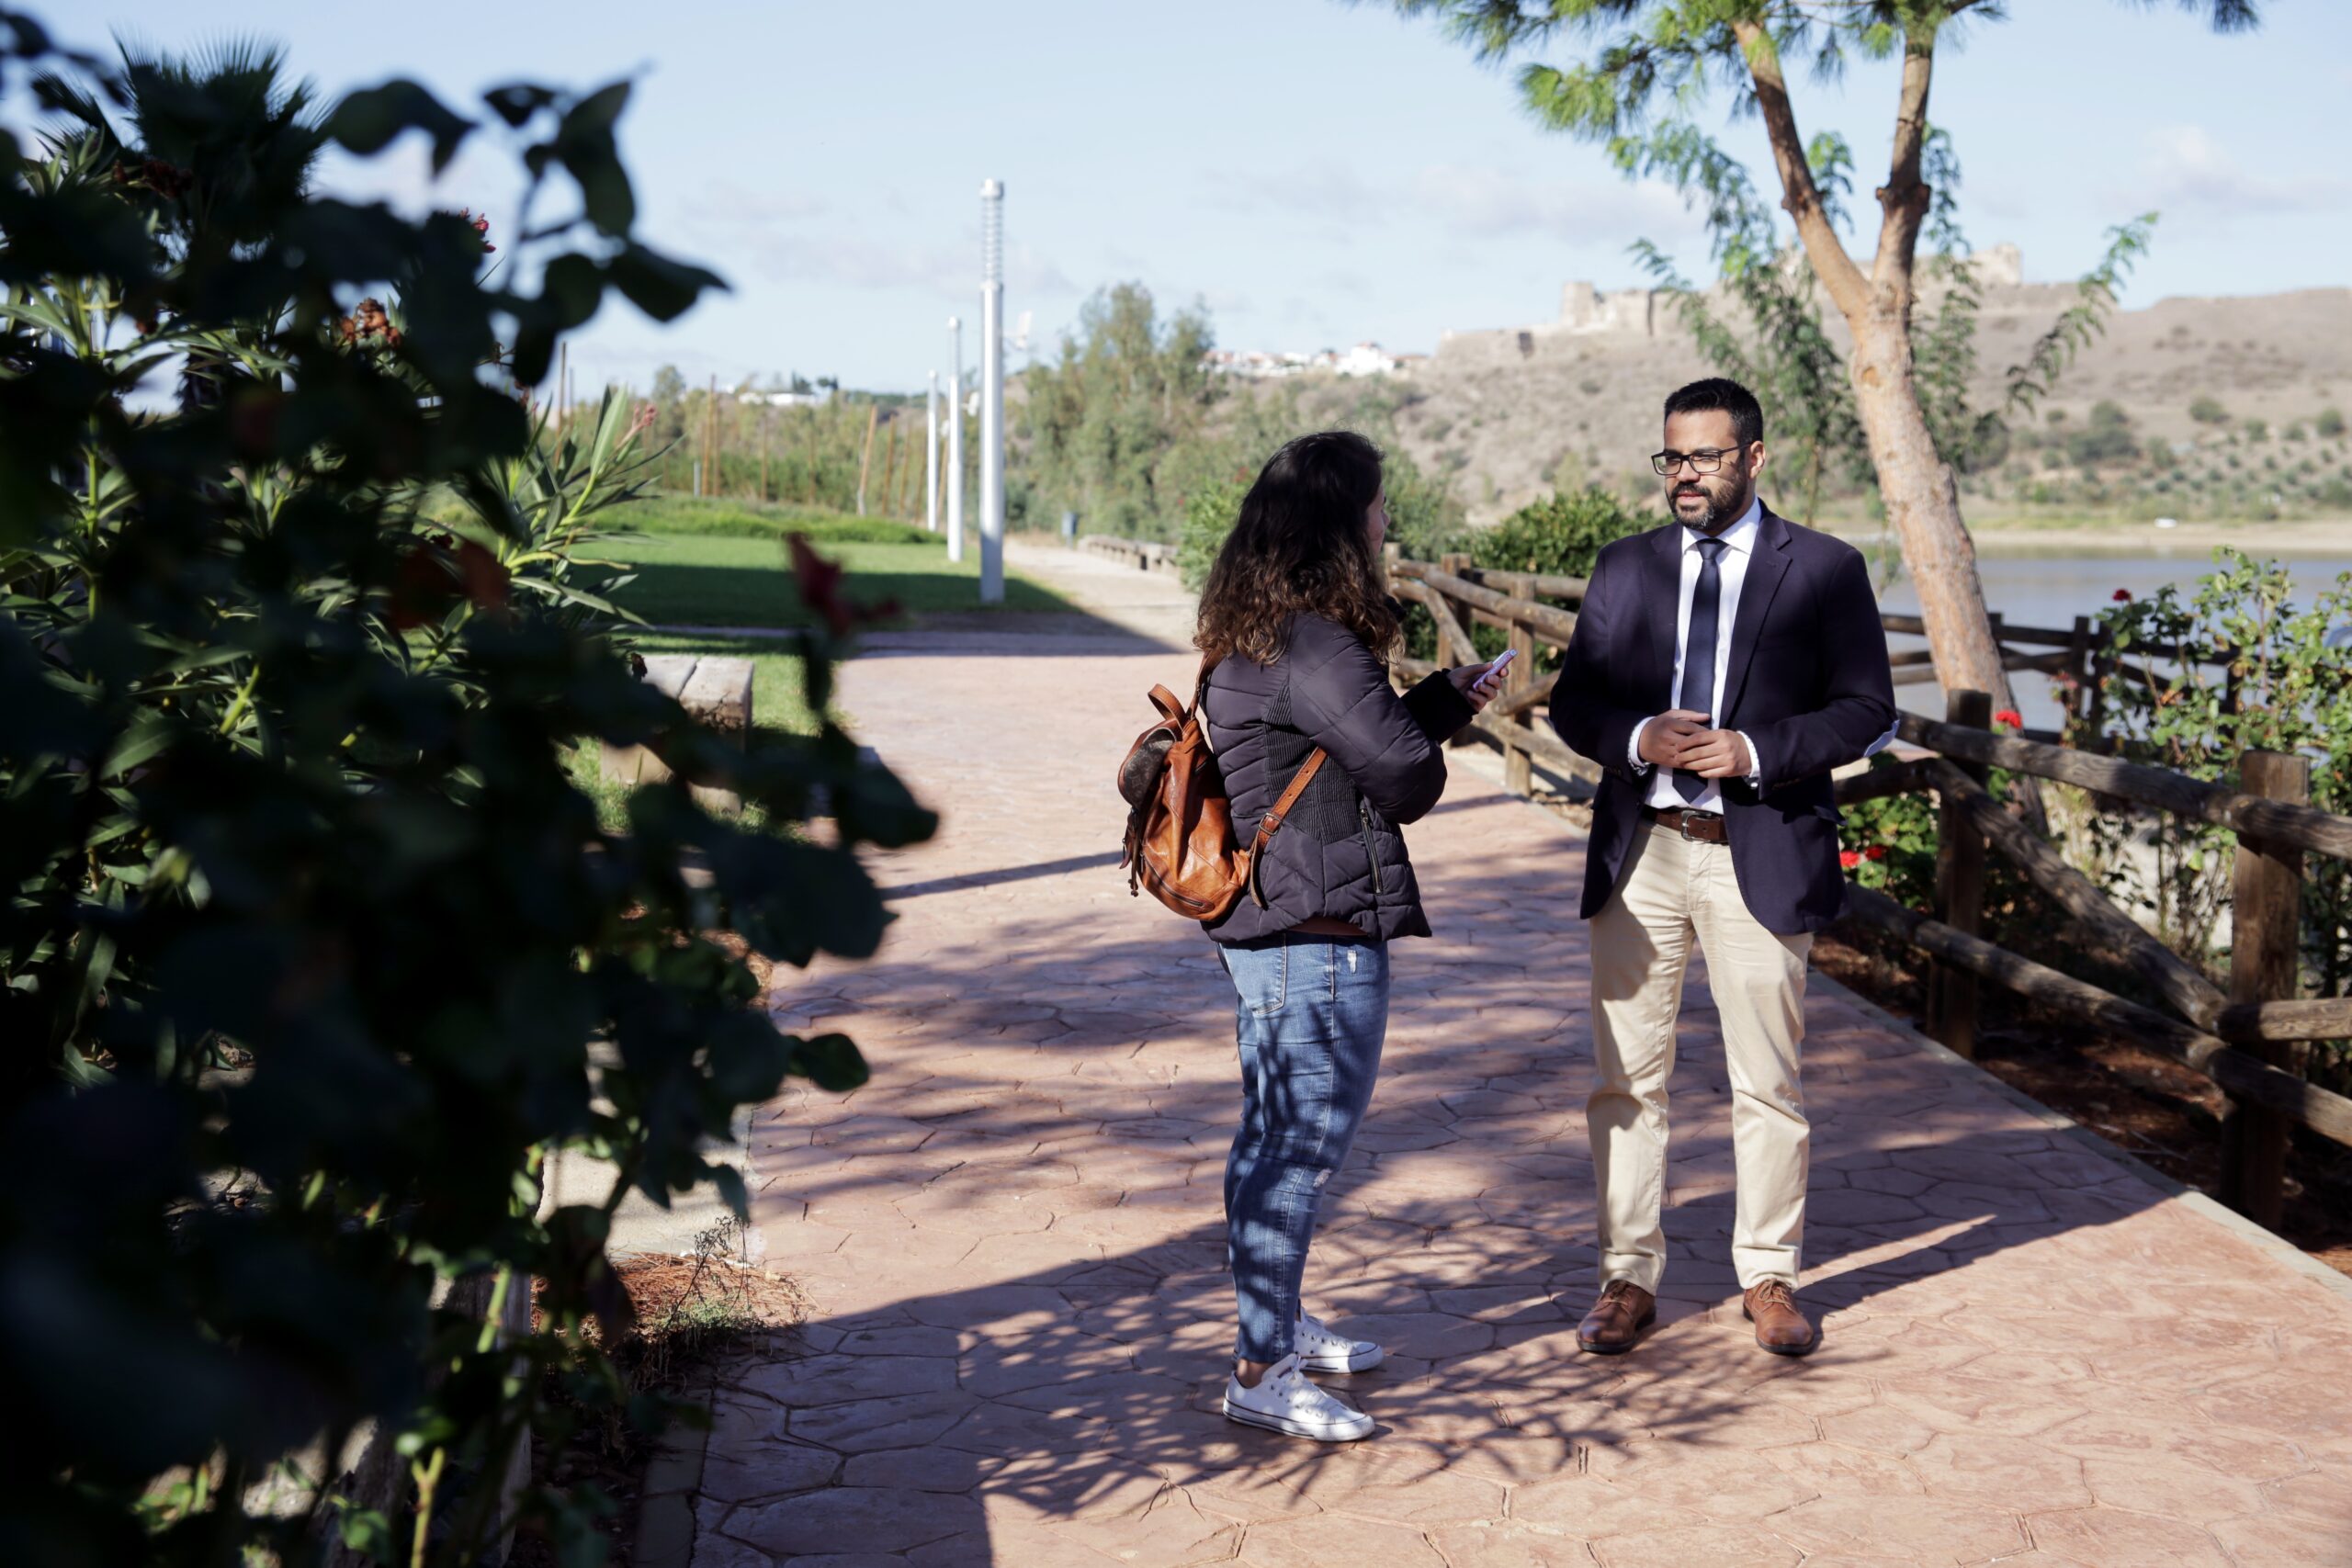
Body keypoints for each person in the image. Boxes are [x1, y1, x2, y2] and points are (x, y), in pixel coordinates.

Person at [1548, 378, 1896, 1359]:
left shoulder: (1824, 569)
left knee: (1768, 1084)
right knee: (1625, 1082)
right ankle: (1626, 1280)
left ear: (1752, 456)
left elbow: (1867, 708)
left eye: (1702, 456)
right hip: (1643, 854)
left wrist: (1753, 753)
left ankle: (1770, 1277)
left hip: (1761, 850)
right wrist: (1635, 735)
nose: (1683, 475)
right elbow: (1574, 705)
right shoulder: (1624, 569)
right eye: (1670, 458)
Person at [1194, 430, 1505, 1441]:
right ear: (1341, 523)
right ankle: (1260, 1369)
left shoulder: (1258, 633)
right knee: (1295, 1154)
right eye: (1375, 505)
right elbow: (1403, 780)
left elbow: (1332, 751)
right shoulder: (1318, 644)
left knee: (1267, 1145)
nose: (1384, 523)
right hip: (1316, 937)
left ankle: (1274, 1322)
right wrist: (1426, 734)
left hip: (1273, 929)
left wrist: (1433, 704)